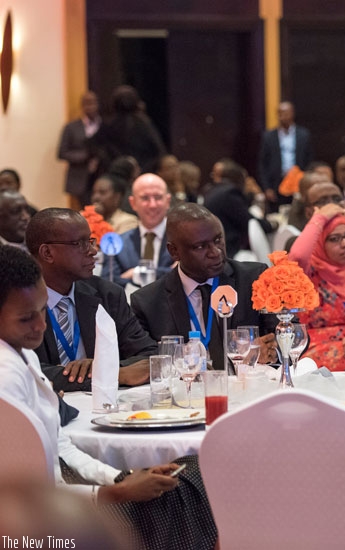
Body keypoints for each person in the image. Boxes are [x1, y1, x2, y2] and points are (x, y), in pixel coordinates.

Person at [0, 244, 218, 550]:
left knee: (189, 471)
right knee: (184, 493)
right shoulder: (5, 376)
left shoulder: (22, 355)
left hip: (64, 498)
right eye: (26, 318)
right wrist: (116, 494)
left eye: (41, 310)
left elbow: (59, 442)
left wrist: (121, 476)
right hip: (34, 530)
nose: (40, 325)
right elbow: (24, 494)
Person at [130, 203, 276, 370]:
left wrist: (272, 350)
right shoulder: (147, 303)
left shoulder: (252, 279)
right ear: (174, 252)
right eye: (200, 247)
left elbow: (291, 334)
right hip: (186, 393)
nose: (216, 252)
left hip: (247, 388)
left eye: (218, 240)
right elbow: (142, 361)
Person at [25, 209, 156, 393]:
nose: (93, 251)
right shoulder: (17, 301)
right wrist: (111, 373)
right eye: (79, 243)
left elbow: (149, 355)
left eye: (90, 241)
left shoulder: (107, 294)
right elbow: (25, 371)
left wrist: (99, 366)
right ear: (47, 252)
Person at [289, 202, 345, 371]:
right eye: (335, 239)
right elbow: (297, 255)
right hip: (315, 364)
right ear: (320, 243)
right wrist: (319, 219)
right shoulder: (308, 275)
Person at [100, 173, 174, 287]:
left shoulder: (183, 241)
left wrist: (135, 274)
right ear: (133, 203)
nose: (152, 205)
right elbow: (108, 285)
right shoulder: (118, 244)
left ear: (168, 201)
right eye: (145, 198)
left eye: (158, 197)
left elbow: (184, 277)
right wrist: (165, 272)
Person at [203, 159, 274, 258]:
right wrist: (271, 225)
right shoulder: (229, 193)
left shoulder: (211, 190)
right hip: (228, 251)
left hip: (213, 247)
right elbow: (248, 221)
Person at [92, 85, 166, 174]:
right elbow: (159, 150)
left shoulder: (109, 123)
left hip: (121, 172)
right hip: (135, 171)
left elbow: (94, 145)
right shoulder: (143, 122)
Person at [259, 101, 314, 209]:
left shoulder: (303, 135)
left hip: (298, 181)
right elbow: (262, 164)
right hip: (276, 182)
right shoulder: (269, 136)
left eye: (286, 113)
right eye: (280, 113)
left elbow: (309, 160)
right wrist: (266, 187)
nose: (283, 116)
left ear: (292, 113)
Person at [57, 91, 101, 207]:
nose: (90, 107)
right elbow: (62, 153)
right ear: (82, 106)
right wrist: (84, 156)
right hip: (80, 177)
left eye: (93, 103)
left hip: (101, 175)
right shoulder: (71, 127)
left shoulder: (104, 126)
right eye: (87, 103)